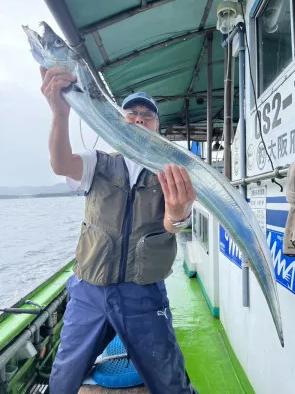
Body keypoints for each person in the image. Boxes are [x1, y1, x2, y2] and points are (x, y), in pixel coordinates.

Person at [40, 66, 197, 394]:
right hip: (89, 289)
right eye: (132, 113)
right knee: (63, 379)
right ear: (120, 120)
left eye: (148, 115)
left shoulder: (169, 170)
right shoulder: (97, 161)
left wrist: (179, 213)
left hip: (144, 293)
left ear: (158, 127)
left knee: (170, 382)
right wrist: (59, 114)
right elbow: (60, 163)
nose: (139, 119)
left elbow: (172, 224)